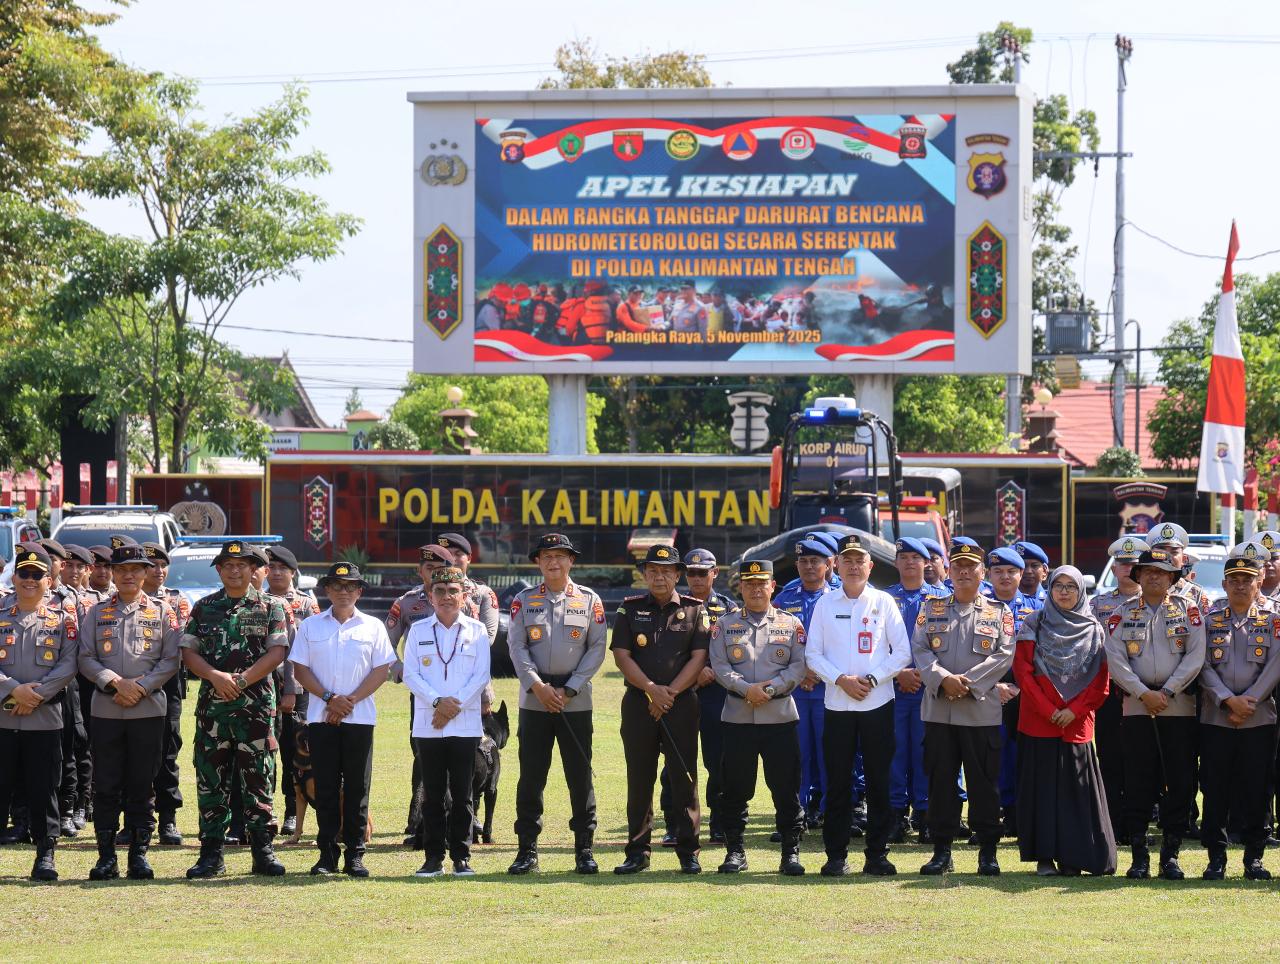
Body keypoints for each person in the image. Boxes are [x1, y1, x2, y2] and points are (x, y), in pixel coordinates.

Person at [180, 540, 290, 879]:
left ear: (254, 569)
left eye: (242, 564)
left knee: (259, 779)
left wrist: (240, 682)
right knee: (211, 780)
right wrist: (215, 676)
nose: (234, 569)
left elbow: (277, 652)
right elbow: (189, 652)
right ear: (218, 569)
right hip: (214, 712)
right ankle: (211, 854)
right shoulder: (204, 607)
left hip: (255, 711)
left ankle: (263, 852)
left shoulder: (271, 607)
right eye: (227, 564)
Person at [805, 533, 911, 876]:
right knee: (837, 782)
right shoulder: (825, 603)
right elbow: (812, 654)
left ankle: (877, 854)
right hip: (837, 704)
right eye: (846, 560)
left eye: (859, 560)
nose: (853, 566)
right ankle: (835, 856)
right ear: (836, 565)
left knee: (879, 782)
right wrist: (841, 680)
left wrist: (873, 679)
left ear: (870, 565)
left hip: (877, 703)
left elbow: (903, 652)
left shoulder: (883, 602)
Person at [76, 540, 182, 881]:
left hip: (148, 709)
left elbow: (171, 660)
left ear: (146, 572)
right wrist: (113, 682)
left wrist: (141, 686)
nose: (128, 576)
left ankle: (139, 855)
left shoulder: (162, 611)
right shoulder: (97, 611)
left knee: (142, 785)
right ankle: (106, 857)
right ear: (113, 574)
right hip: (107, 708)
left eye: (135, 569)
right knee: (105, 786)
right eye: (121, 570)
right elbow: (85, 657)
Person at [506, 533, 608, 875]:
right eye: (547, 556)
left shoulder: (589, 600)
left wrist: (570, 689)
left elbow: (596, 648)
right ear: (537, 561)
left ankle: (584, 849)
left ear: (571, 561)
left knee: (580, 778)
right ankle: (526, 851)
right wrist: (538, 686)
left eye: (560, 556)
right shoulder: (523, 600)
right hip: (536, 700)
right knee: (531, 778)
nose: (554, 562)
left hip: (575, 701)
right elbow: (517, 647)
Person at [911, 539, 1015, 876]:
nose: (965, 572)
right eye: (958, 567)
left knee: (984, 783)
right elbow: (920, 649)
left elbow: (1004, 654)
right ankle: (942, 850)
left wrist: (965, 682)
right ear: (949, 572)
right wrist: (942, 679)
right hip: (939, 710)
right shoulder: (931, 608)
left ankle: (987, 851)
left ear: (982, 572)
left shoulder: (999, 612)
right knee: (941, 782)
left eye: (972, 567)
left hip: (980, 710)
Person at [1102, 547, 1206, 880]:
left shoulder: (1189, 612)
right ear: (1138, 576)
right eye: (1147, 571)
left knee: (1179, 781)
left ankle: (1170, 855)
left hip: (1178, 708)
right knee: (1138, 781)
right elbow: (1115, 659)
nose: (1154, 576)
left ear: (1173, 577)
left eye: (1161, 571)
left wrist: (1167, 691)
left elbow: (1195, 657)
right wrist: (1143, 692)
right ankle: (1139, 857)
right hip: (1137, 708)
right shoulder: (1122, 613)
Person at [290, 561, 395, 877]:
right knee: (324, 787)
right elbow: (300, 669)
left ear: (359, 591)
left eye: (350, 587)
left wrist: (349, 702)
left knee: (357, 788)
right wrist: (328, 700)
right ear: (327, 590)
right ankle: (326, 855)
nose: (343, 592)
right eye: (337, 586)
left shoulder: (373, 626)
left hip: (359, 718)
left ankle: (355, 855)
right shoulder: (311, 626)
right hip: (322, 719)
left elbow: (382, 670)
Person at [610, 544, 710, 875]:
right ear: (644, 575)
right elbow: (622, 655)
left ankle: (688, 851)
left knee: (684, 778)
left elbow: (699, 657)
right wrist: (652, 690)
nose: (659, 577)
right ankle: (637, 851)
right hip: (640, 703)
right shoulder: (629, 609)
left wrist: (670, 693)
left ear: (678, 575)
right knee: (640, 778)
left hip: (680, 705)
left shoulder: (696, 611)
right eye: (652, 571)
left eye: (666, 571)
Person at [1013, 566, 1116, 876]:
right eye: (1059, 585)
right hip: (1038, 721)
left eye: (1072, 586)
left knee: (1076, 791)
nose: (1065, 592)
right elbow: (1023, 672)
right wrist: (1048, 709)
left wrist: (1075, 710)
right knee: (1042, 791)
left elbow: (1101, 681)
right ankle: (1044, 856)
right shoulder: (1034, 624)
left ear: (1081, 591)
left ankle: (1075, 857)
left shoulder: (1094, 628)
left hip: (1076, 723)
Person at [709, 559, 806, 875]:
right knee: (735, 789)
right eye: (748, 584)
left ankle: (790, 853)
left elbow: (797, 666)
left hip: (779, 718)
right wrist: (745, 689)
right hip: (738, 718)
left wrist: (772, 689)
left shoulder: (791, 624)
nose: (755, 589)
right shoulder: (724, 625)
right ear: (740, 587)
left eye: (760, 583)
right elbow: (720, 666)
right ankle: (735, 851)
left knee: (785, 789)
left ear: (772, 586)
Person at [403, 566, 491, 877]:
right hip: (429, 724)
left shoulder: (477, 631)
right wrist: (438, 703)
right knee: (433, 794)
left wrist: (452, 707)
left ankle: (461, 856)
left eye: (453, 591)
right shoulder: (418, 631)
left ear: (464, 595)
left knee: (463, 793)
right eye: (439, 591)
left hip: (464, 725)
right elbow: (410, 674)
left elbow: (481, 675)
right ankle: (433, 857)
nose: (446, 597)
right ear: (430, 596)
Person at [1198, 553, 1280, 880]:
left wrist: (1250, 700)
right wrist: (1227, 700)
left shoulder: (1273, 619)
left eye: (1248, 579)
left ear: (1259, 582)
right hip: (1216, 717)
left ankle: (1254, 858)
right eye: (1234, 580)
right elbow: (1200, 665)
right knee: (1215, 787)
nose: (1241, 585)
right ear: (1224, 584)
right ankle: (1215, 858)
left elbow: (1276, 663)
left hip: (1259, 717)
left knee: (1257, 788)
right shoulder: (1209, 619)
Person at [0, 544, 79, 881]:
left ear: (50, 580)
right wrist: (12, 690)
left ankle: (45, 856)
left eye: (37, 575)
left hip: (45, 719)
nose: (30, 580)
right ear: (14, 578)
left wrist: (35, 696)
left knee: (44, 789)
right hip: (3, 717)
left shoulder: (63, 620)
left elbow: (69, 663)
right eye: (24, 574)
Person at [658, 548, 738, 846]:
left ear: (715, 573)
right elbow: (664, 652)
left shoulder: (729, 609)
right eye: (691, 573)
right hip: (681, 694)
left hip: (717, 695)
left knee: (719, 763)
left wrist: (712, 670)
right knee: (675, 763)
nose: (697, 579)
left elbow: (737, 648)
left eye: (703, 573)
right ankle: (674, 824)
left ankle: (718, 825)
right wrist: (694, 674)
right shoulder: (670, 606)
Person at [386, 543, 455, 844]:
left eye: (439, 568)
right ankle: (419, 821)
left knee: (464, 755)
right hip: (423, 695)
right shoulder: (407, 602)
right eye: (428, 568)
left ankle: (465, 819)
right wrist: (400, 670)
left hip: (461, 696)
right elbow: (385, 644)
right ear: (419, 570)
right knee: (423, 755)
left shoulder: (468, 596)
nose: (433, 574)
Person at [885, 538, 948, 844]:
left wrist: (924, 674)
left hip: (930, 689)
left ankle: (925, 814)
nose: (910, 562)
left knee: (927, 753)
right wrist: (898, 672)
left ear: (927, 563)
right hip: (894, 689)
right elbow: (874, 644)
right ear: (895, 563)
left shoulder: (942, 599)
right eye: (904, 557)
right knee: (894, 753)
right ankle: (896, 815)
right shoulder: (883, 600)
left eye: (916, 557)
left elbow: (951, 646)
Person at [771, 536, 837, 830]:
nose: (809, 567)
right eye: (804, 561)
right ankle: (796, 813)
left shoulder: (838, 597)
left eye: (815, 561)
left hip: (830, 690)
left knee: (829, 752)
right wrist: (803, 674)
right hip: (795, 691)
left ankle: (829, 810)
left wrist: (818, 673)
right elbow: (774, 645)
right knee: (796, 755)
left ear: (828, 564)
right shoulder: (785, 598)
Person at [1090, 536, 1145, 845]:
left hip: (1142, 693)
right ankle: (1112, 821)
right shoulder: (1097, 604)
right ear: (1114, 567)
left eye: (1134, 563)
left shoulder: (1153, 602)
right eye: (1122, 563)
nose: (1127, 568)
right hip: (1109, 694)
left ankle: (1137, 822)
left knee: (1140, 759)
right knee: (1110, 758)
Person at [264, 544, 318, 838]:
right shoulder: (256, 600)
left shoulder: (306, 605)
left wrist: (294, 688)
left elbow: (312, 646)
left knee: (293, 750)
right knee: (263, 749)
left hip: (296, 688)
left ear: (293, 572)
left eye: (281, 568)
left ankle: (289, 810)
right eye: (270, 568)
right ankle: (264, 810)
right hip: (262, 685)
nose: (275, 573)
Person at [138, 541, 190, 846]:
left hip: (167, 684)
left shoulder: (176, 601)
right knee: (132, 755)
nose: (158, 571)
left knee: (167, 752)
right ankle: (134, 818)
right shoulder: (120, 601)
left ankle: (168, 819)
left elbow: (179, 645)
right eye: (152, 565)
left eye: (162, 565)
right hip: (129, 682)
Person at [982, 547, 1036, 838]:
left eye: (1011, 571)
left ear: (1020, 574)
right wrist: (993, 686)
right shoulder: (978, 607)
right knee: (987, 756)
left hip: (1025, 695)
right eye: (998, 572)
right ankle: (989, 816)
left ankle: (1018, 815)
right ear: (989, 575)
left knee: (1020, 756)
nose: (1005, 577)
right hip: (985, 691)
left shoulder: (1036, 608)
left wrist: (1020, 687)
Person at [1146, 523, 1211, 612]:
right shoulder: (1140, 588)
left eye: (1174, 552)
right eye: (1162, 551)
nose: (1167, 556)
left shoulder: (1196, 593)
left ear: (1183, 559)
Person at [1014, 542, 1051, 608]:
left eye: (1034, 566)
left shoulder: (1054, 601)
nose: (1028, 571)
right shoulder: (1002, 600)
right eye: (1023, 566)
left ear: (1044, 571)